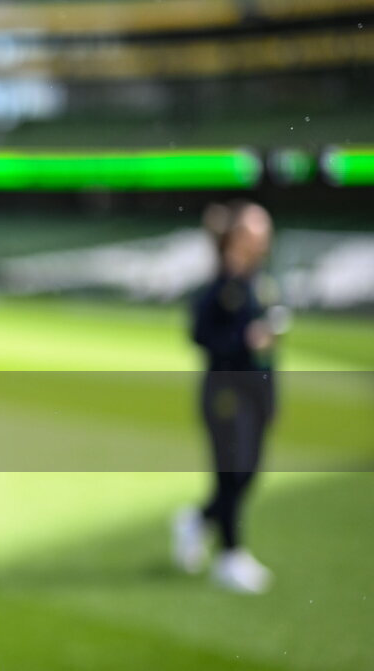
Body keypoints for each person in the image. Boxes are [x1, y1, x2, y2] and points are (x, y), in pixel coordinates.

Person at [172, 200, 278, 594]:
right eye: (257, 228)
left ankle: (198, 521)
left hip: (256, 392)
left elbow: (269, 350)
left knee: (247, 474)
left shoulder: (260, 280)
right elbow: (201, 336)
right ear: (238, 236)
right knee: (232, 472)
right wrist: (244, 339)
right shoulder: (218, 286)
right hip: (225, 393)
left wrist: (272, 397)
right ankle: (230, 556)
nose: (265, 236)